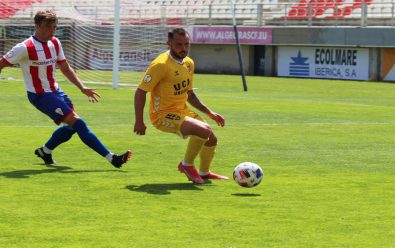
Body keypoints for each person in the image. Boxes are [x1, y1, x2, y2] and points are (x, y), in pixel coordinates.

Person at [0, 10, 131, 168]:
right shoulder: (24, 48)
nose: (52, 31)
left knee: (71, 127)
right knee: (78, 123)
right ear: (37, 26)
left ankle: (45, 151)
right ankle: (112, 158)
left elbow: (65, 67)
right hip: (40, 95)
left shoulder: (54, 43)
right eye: (48, 27)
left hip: (56, 91)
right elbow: (1, 63)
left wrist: (82, 87)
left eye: (54, 27)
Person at [134, 28, 228, 184]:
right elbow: (140, 91)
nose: (183, 48)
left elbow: (189, 94)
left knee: (211, 139)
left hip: (182, 111)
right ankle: (186, 165)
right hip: (161, 115)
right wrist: (139, 121)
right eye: (179, 45)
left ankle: (204, 172)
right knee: (203, 131)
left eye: (187, 44)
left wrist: (209, 113)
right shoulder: (160, 65)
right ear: (169, 43)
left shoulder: (189, 63)